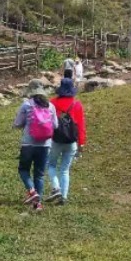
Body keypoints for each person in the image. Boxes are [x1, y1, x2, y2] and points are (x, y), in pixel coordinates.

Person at [12, 79, 58, 212]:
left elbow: (17, 123)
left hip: (28, 144)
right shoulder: (50, 106)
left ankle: (32, 192)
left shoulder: (27, 105)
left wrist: (20, 125)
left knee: (23, 170)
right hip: (45, 145)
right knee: (39, 174)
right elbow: (55, 125)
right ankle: (38, 205)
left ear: (30, 92)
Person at [46, 77, 86, 205]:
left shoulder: (52, 103)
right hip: (71, 142)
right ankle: (64, 196)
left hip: (56, 140)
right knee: (64, 170)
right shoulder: (77, 104)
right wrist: (81, 144)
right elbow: (81, 126)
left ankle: (56, 187)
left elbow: (47, 123)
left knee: (51, 165)